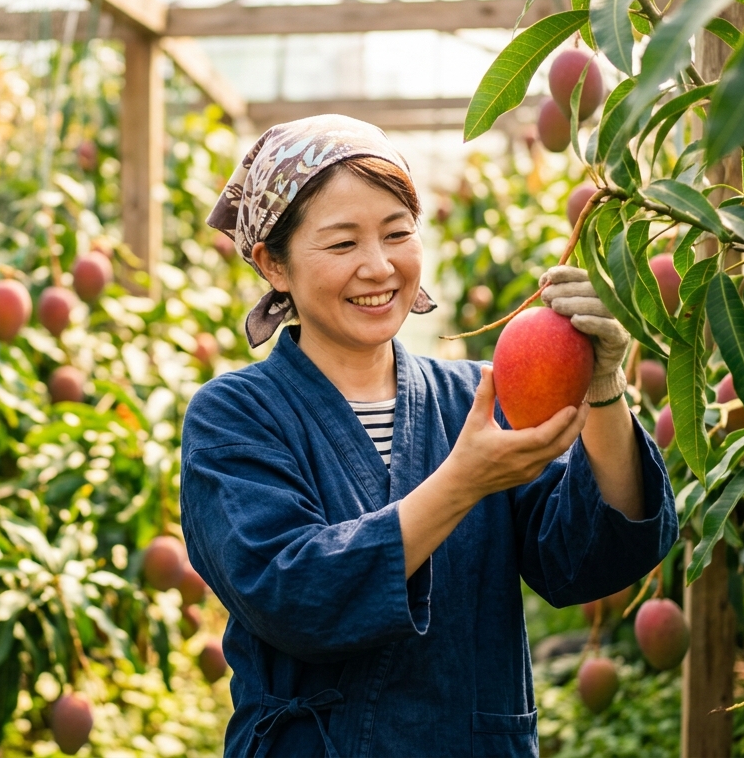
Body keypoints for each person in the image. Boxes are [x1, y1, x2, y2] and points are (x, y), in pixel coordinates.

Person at [179, 115, 677, 757]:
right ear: (273, 263)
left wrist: (604, 386)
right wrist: (462, 483)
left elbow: (584, 557)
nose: (379, 266)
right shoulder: (235, 415)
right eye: (341, 244)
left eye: (397, 234)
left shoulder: (476, 395)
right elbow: (288, 592)